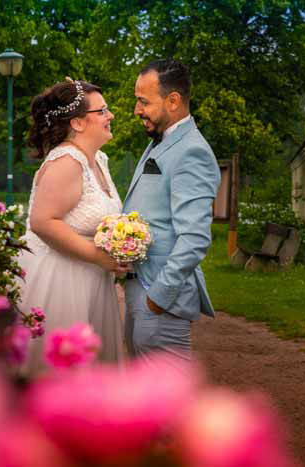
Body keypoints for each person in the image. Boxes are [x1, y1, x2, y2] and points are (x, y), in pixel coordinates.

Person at [18, 79, 127, 373]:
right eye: (102, 111)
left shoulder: (98, 159)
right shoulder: (67, 161)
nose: (110, 115)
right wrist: (97, 255)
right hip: (60, 281)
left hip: (91, 278)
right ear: (78, 123)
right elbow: (42, 221)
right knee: (61, 373)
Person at [122, 59, 221, 362]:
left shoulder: (192, 150)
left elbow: (194, 238)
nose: (137, 110)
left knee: (168, 401)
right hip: (140, 288)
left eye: (143, 101)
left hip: (160, 298)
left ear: (173, 101)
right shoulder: (160, 140)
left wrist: (158, 298)